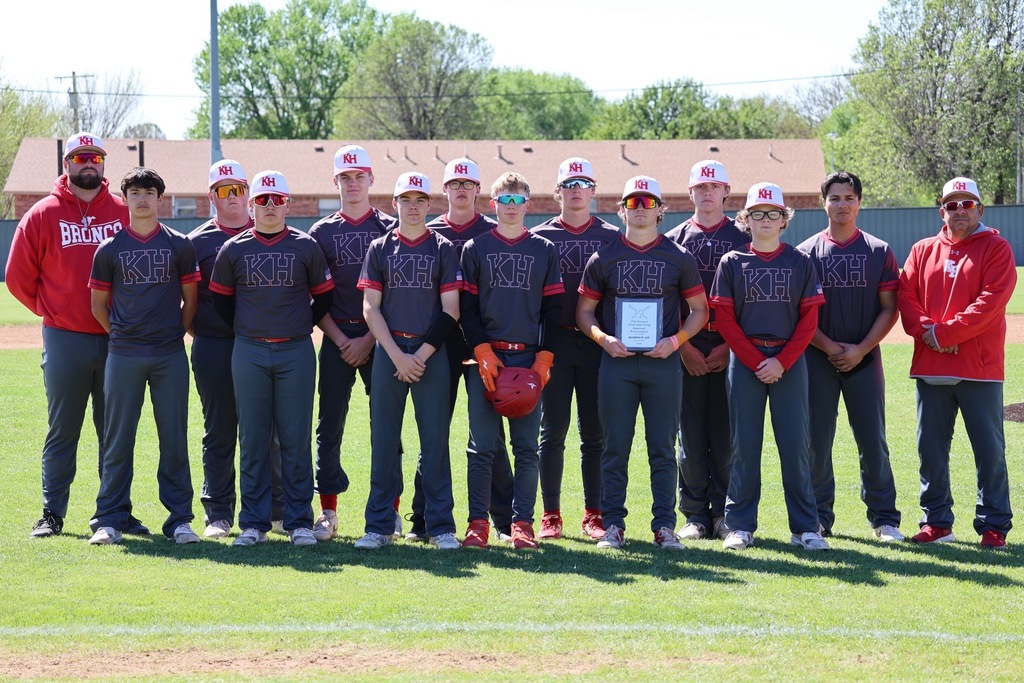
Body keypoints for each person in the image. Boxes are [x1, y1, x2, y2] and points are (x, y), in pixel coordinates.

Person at [6, 132, 147, 538]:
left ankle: (116, 510)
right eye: (80, 157)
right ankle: (52, 512)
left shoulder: (123, 211)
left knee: (115, 431)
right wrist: (52, 310)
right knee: (63, 428)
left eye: (96, 157)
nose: (89, 163)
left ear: (103, 164)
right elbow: (17, 278)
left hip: (116, 338)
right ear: (66, 164)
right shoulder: (42, 214)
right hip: (65, 338)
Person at [577, 175, 708, 551]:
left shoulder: (678, 257)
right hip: (616, 364)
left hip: (661, 363)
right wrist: (603, 339)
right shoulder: (604, 256)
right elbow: (584, 312)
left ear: (661, 210)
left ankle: (664, 526)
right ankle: (613, 525)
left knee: (662, 448)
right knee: (614, 446)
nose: (639, 209)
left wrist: (676, 341)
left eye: (647, 203)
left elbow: (700, 310)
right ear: (621, 210)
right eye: (632, 203)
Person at [210, 170, 334, 547]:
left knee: (295, 439)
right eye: (262, 199)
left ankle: (298, 521)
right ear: (251, 204)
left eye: (276, 199)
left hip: (295, 349)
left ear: (287, 204)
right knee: (253, 438)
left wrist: (296, 325)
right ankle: (253, 523)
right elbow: (220, 301)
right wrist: (251, 328)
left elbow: (323, 297)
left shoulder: (306, 245)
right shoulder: (234, 249)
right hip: (248, 350)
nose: (269, 205)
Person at [897, 176, 1016, 548]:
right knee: (930, 449)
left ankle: (994, 523)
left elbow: (991, 302)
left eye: (967, 204)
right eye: (952, 204)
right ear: (941, 211)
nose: (959, 210)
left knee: (989, 449)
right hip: (931, 368)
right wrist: (930, 332)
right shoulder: (921, 250)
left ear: (980, 209)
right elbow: (907, 296)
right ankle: (936, 521)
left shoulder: (996, 248)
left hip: (978, 368)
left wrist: (944, 335)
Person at [710, 182, 829, 551]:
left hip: (788, 362)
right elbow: (725, 319)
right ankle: (740, 525)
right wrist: (757, 360)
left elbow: (809, 319)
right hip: (746, 362)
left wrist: (781, 361)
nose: (765, 219)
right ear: (745, 219)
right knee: (744, 445)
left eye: (773, 213)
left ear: (784, 220)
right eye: (757, 213)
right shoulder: (732, 262)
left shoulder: (799, 261)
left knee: (796, 446)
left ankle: (805, 527)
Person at [87, 167, 201, 545]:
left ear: (159, 199)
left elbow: (191, 300)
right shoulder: (110, 248)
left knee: (173, 438)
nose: (141, 198)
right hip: (123, 355)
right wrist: (122, 334)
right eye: (134, 191)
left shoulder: (179, 244)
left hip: (168, 354)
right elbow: (99, 306)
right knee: (118, 439)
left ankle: (179, 520)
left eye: (148, 192)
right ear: (125, 198)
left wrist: (173, 333)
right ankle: (110, 518)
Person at [405, 158, 515, 544]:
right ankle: (422, 518)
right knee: (432, 433)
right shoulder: (426, 230)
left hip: (482, 344)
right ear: (445, 191)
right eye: (455, 183)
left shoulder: (494, 230)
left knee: (490, 436)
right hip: (435, 344)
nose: (462, 189)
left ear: (479, 189)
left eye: (469, 183)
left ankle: (503, 519)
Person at [353, 172, 460, 550]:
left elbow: (451, 311)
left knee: (435, 442)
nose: (412, 207)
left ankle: (441, 526)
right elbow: (371, 308)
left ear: (429, 204)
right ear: (394, 203)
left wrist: (420, 356)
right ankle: (379, 526)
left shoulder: (444, 248)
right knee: (383, 441)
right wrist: (398, 355)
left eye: (419, 200)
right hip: (389, 354)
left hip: (430, 356)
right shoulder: (380, 248)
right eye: (405, 200)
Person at [459, 171, 564, 549]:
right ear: (493, 204)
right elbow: (467, 310)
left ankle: (522, 524)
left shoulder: (543, 249)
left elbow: (554, 310)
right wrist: (481, 350)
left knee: (526, 448)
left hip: (527, 359)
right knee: (481, 446)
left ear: (529, 205)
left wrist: (545, 359)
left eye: (519, 201)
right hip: (487, 360)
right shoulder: (475, 248)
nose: (512, 207)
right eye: (505, 200)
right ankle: (477, 524)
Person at [797, 171, 903, 542]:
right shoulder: (805, 253)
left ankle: (885, 519)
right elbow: (801, 315)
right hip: (816, 360)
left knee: (873, 440)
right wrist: (829, 347)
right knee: (816, 442)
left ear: (860, 202)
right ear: (823, 202)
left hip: (865, 359)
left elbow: (890, 309)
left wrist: (860, 349)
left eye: (849, 198)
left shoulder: (878, 250)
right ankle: (818, 518)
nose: (842, 205)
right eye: (835, 198)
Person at [187, 160, 286, 538]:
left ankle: (275, 509)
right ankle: (218, 513)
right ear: (212, 196)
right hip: (215, 344)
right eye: (225, 190)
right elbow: (189, 301)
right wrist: (205, 334)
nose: (235, 197)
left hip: (264, 345)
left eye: (240, 188)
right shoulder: (196, 242)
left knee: (268, 430)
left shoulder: (269, 231)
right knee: (220, 430)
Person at [307, 145, 399, 542]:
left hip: (380, 341)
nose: (353, 182)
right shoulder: (321, 232)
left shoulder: (391, 228)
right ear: (336, 181)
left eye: (360, 175)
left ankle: (390, 510)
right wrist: (345, 339)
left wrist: (368, 339)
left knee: (387, 427)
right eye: (346, 177)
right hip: (337, 338)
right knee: (329, 426)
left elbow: (399, 295)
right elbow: (313, 298)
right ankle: (328, 511)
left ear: (371, 179)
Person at [531, 157, 619, 541]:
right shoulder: (540, 237)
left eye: (583, 183)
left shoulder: (612, 235)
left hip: (597, 344)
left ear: (594, 191)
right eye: (569, 184)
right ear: (558, 192)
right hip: (554, 342)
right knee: (552, 431)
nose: (576, 190)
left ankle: (594, 513)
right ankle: (550, 514)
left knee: (595, 433)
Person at [664, 159, 750, 542]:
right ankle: (696, 514)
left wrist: (731, 348)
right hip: (688, 349)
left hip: (733, 351)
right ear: (691, 192)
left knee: (729, 436)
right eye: (701, 187)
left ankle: (726, 515)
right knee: (691, 438)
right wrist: (684, 349)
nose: (707, 192)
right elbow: (666, 302)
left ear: (726, 192)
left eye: (714, 186)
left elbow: (754, 301)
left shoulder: (744, 237)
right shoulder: (674, 238)